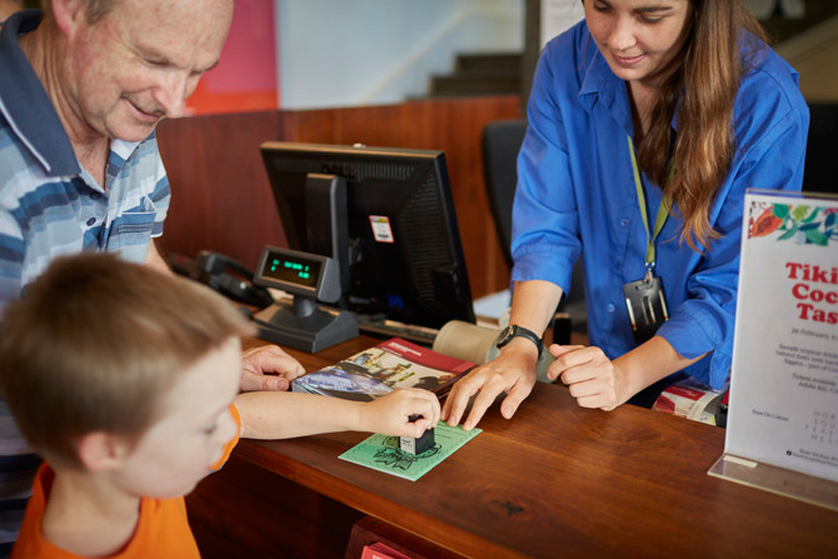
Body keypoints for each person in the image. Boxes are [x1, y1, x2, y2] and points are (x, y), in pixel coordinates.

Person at [0, 0, 305, 552]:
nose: (177, 102)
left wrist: (201, 361)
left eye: (197, 72)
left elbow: (131, 254)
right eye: (155, 60)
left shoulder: (119, 109)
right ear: (71, 9)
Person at [443, 0, 809, 430]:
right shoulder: (565, 63)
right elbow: (547, 229)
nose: (617, 38)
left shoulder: (768, 103)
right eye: (601, 7)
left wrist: (627, 375)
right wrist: (521, 343)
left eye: (650, 16)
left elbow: (736, 289)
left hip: (712, 391)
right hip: (607, 369)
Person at [0, 253, 440, 558]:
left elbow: (247, 415)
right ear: (104, 448)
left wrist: (365, 415)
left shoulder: (130, 471)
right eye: (205, 423)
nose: (226, 429)